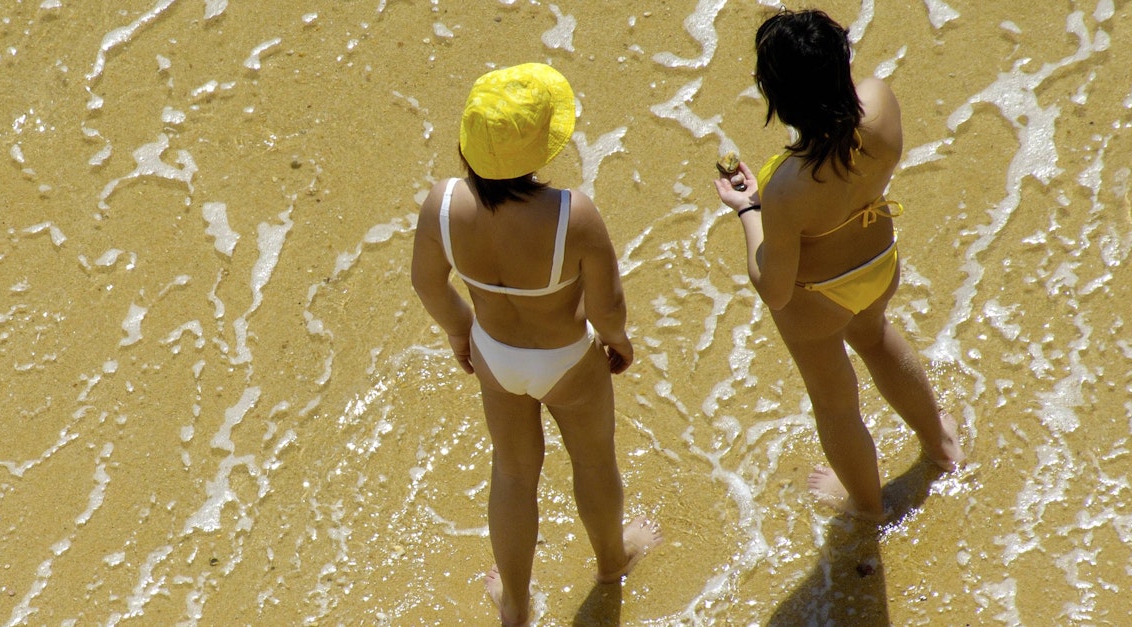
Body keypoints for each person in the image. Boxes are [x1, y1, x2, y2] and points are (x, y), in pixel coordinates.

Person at [411, 63, 659, 626]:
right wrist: (618, 343)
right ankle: (611, 561)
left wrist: (460, 332)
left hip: (496, 358)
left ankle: (516, 607)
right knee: (594, 463)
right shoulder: (573, 214)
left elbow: (427, 284)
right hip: (567, 359)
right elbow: (607, 308)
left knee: (514, 474)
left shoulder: (443, 205)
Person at [713, 10, 965, 523]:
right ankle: (941, 445)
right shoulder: (880, 102)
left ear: (776, 96)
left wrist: (749, 211)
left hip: (817, 296)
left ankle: (869, 506)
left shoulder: (786, 185)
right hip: (876, 262)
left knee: (835, 404)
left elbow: (775, 288)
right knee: (875, 337)